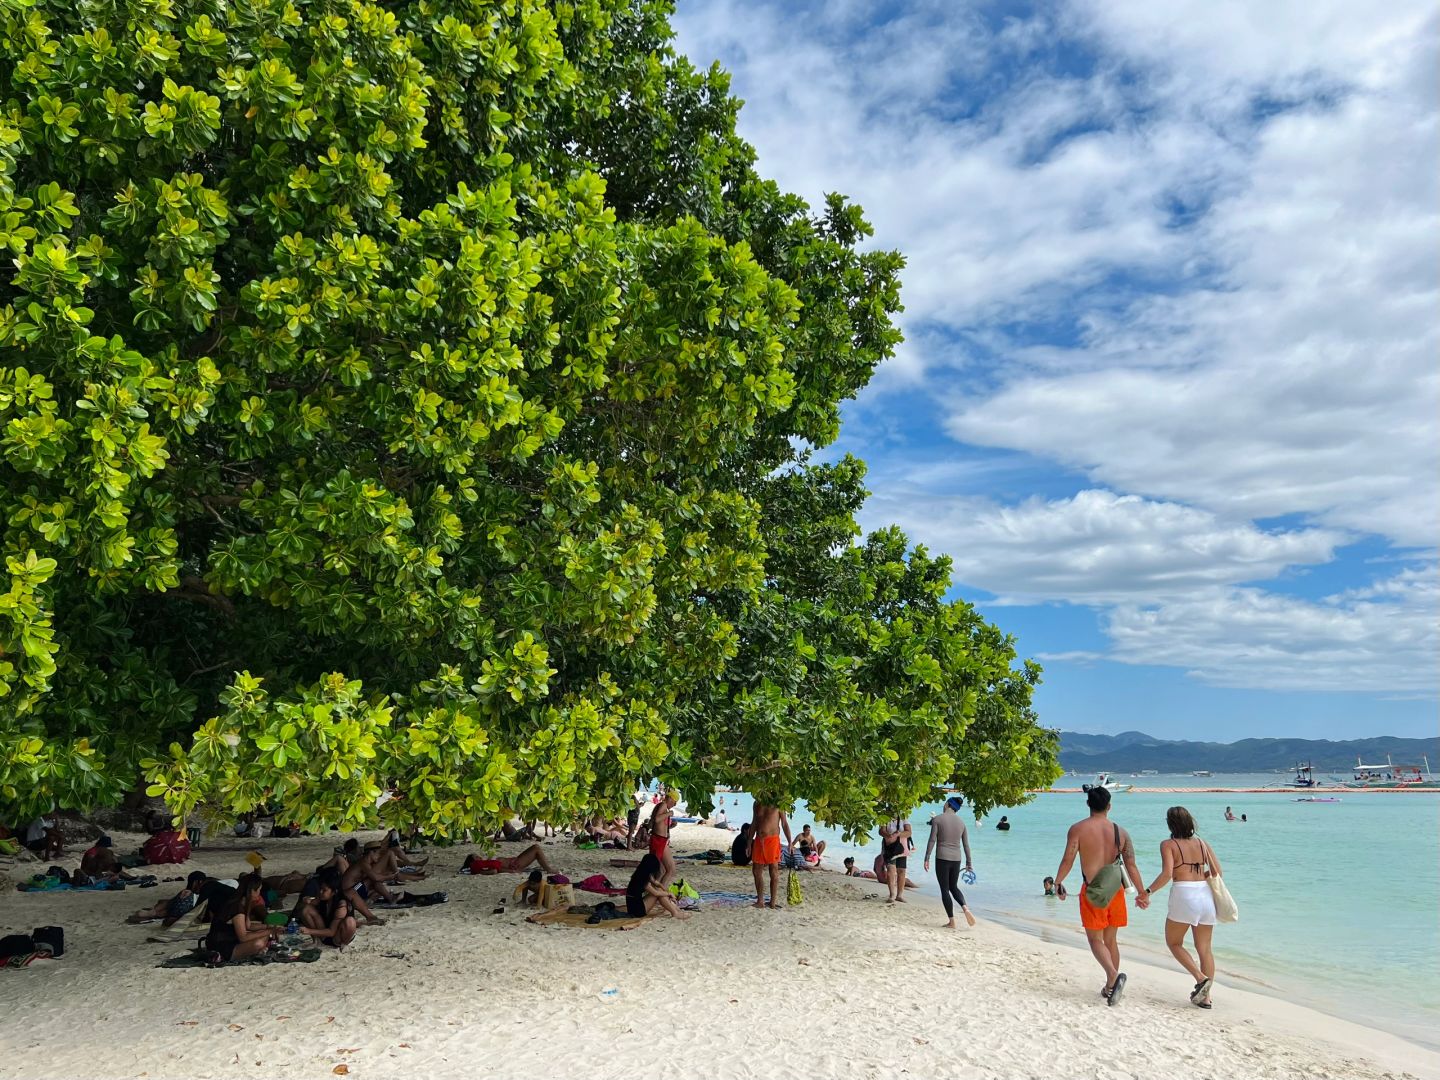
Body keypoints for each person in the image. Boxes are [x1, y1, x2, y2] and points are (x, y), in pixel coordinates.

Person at [1052, 786, 1149, 1006]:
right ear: (1109, 806)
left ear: (1088, 804)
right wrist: (1142, 892)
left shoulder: (1077, 829)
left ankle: (1113, 978)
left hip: (1093, 891)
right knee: (1111, 940)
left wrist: (1058, 882)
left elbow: (1068, 859)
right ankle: (1109, 986)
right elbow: (1131, 865)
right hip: (1115, 891)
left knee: (1095, 940)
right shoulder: (1121, 832)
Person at [1146, 806, 1221, 1009]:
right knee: (1205, 948)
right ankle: (1206, 998)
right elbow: (1217, 873)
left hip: (1184, 894)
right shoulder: (1202, 843)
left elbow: (1167, 874)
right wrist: (1198, 878)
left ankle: (1200, 978)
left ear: (1170, 824)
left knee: (1174, 942)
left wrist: (1147, 892)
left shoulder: (1168, 845)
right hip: (1205, 896)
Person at [923, 796, 975, 928]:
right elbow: (966, 845)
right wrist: (969, 863)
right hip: (957, 859)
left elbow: (932, 840)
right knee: (954, 887)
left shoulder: (937, 819)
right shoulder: (961, 823)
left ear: (947, 804)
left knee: (945, 889)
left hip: (942, 858)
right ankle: (965, 908)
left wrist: (927, 857)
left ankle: (952, 921)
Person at [205, 874, 279, 963]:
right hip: (221, 946)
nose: (259, 893)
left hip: (229, 941)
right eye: (259, 890)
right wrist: (271, 931)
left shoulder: (242, 904)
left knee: (264, 935)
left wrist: (269, 927)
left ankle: (259, 948)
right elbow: (243, 937)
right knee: (258, 943)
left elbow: (248, 926)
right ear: (252, 891)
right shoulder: (237, 908)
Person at [295, 869, 358, 948]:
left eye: (324, 890)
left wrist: (308, 930)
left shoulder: (341, 906)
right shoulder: (323, 897)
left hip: (337, 938)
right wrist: (305, 899)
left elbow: (332, 932)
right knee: (307, 909)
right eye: (321, 888)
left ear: (334, 892)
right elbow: (309, 903)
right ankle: (317, 941)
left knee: (350, 922)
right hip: (325, 934)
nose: (321, 892)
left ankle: (344, 944)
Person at [747, 803, 792, 908]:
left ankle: (772, 902)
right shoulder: (757, 803)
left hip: (772, 840)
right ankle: (760, 901)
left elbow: (784, 824)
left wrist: (790, 842)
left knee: (774, 870)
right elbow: (754, 823)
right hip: (758, 840)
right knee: (756, 871)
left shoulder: (779, 803)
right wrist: (749, 842)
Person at [624, 853, 690, 919]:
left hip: (633, 906)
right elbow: (656, 893)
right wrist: (669, 893)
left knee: (660, 891)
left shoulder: (641, 873)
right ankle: (675, 913)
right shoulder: (642, 878)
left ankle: (675, 909)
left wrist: (666, 891)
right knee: (658, 894)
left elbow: (657, 883)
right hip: (637, 911)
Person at [130, 870, 210, 925]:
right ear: (198, 882)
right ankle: (156, 913)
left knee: (167, 903)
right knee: (169, 905)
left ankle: (154, 912)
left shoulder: (184, 892)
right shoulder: (193, 894)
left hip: (176, 908)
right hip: (182, 911)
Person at [464, 843, 556, 876]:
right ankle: (548, 869)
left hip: (514, 862)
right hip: (515, 864)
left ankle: (546, 868)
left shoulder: (482, 863)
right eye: (476, 857)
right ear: (473, 861)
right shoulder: (478, 865)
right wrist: (511, 871)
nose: (479, 857)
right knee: (536, 848)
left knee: (535, 849)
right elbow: (495, 870)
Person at [879, 812, 912, 904]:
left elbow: (909, 832)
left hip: (901, 846)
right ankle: (892, 894)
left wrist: (898, 834)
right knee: (890, 870)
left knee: (901, 870)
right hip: (889, 846)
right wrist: (888, 835)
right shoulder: (884, 816)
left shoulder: (903, 817)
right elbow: (881, 831)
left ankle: (899, 895)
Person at [649, 790, 677, 888]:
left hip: (660, 840)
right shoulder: (663, 805)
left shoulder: (661, 806)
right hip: (659, 840)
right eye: (675, 801)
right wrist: (669, 814)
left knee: (661, 871)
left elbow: (658, 824)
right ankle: (660, 894)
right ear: (671, 798)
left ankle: (654, 893)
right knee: (670, 869)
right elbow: (657, 820)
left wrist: (671, 824)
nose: (675, 804)